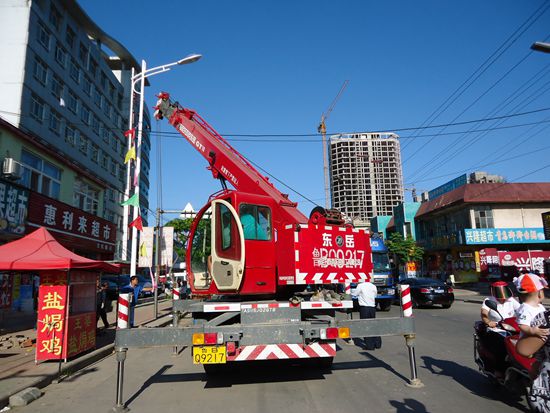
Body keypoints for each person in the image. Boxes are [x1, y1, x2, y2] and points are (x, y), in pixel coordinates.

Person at [479, 281, 520, 373]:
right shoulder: (488, 300)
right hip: (496, 329)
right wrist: (488, 321)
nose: (503, 297)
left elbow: (521, 310)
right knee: (501, 349)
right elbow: (484, 313)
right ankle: (498, 370)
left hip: (512, 328)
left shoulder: (511, 300)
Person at [515, 273, 549, 358]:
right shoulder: (525, 308)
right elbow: (522, 325)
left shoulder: (540, 306)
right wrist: (533, 331)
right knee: (538, 360)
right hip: (531, 340)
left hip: (542, 340)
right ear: (540, 293)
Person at [351, 279, 381, 350]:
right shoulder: (373, 286)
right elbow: (375, 295)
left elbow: (354, 294)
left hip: (364, 308)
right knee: (373, 325)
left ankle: (370, 346)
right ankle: (377, 343)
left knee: (365, 326)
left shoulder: (360, 285)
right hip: (372, 307)